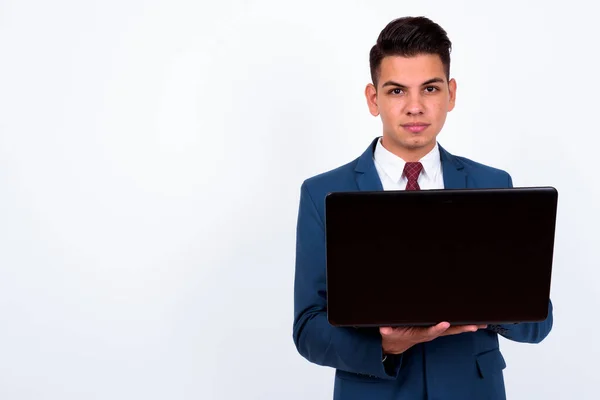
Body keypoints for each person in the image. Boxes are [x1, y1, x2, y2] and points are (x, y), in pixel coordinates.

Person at [292, 16, 553, 400]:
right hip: (375, 392)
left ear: (450, 94)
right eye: (397, 91)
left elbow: (538, 321)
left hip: (472, 390)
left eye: (429, 88)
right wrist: (386, 346)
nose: (415, 107)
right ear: (373, 98)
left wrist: (491, 304)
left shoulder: (492, 184)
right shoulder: (323, 192)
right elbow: (307, 328)